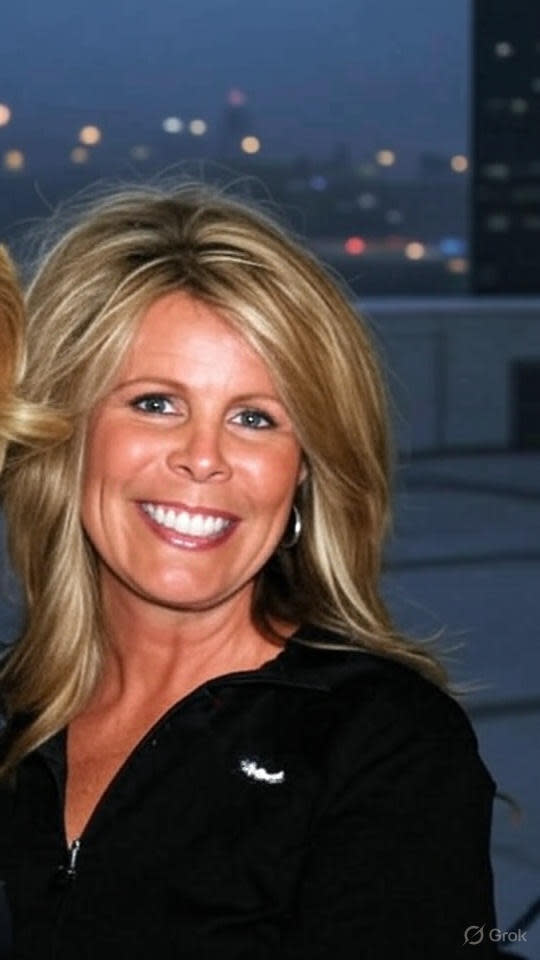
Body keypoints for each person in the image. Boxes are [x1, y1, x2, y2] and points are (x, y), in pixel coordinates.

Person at [0, 184, 497, 958]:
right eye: (156, 403)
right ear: (70, 432)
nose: (204, 458)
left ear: (304, 472)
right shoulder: (13, 712)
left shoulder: (383, 747)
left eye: (255, 418)